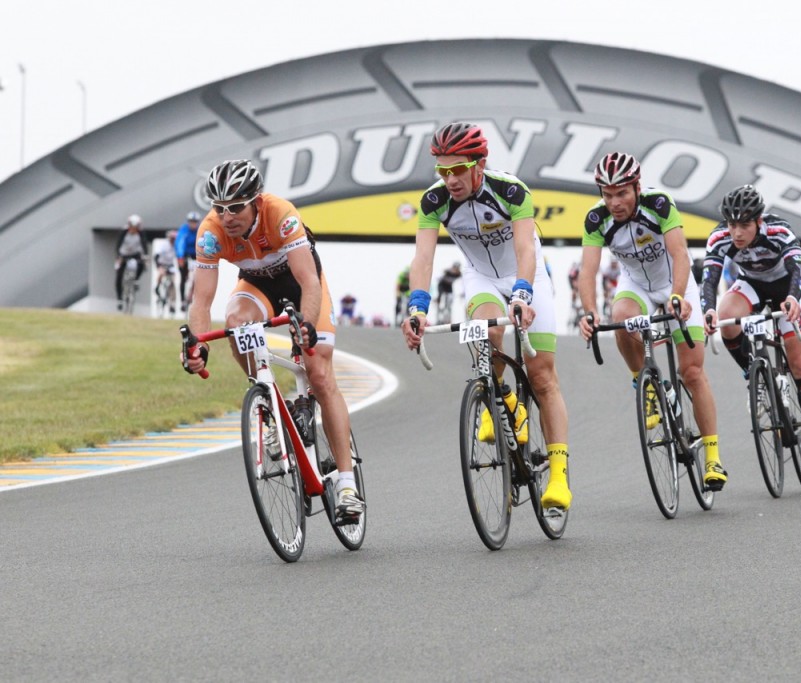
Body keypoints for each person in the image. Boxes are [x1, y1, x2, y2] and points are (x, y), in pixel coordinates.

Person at [400, 122, 572, 511]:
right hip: (481, 276)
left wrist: (524, 293)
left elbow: (526, 248)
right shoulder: (434, 201)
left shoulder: (510, 191)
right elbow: (423, 258)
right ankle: (502, 396)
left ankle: (559, 475)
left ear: (479, 164)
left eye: (457, 169)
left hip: (527, 275)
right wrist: (417, 308)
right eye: (442, 171)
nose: (449, 179)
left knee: (542, 374)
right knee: (487, 335)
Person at [181, 159, 364, 520]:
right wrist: (197, 344)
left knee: (320, 373)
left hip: (301, 283)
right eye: (219, 208)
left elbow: (309, 282)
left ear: (256, 202)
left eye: (236, 207)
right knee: (235, 322)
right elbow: (201, 300)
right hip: (257, 286)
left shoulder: (280, 214)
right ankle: (269, 403)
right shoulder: (211, 232)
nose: (227, 216)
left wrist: (307, 327)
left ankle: (346, 484)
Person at [577, 152, 726, 490]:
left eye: (622, 193)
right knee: (620, 317)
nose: (614, 202)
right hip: (637, 284)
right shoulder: (595, 219)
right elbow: (588, 271)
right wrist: (588, 311)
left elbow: (679, 254)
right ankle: (641, 381)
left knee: (691, 371)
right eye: (607, 194)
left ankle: (713, 457)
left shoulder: (659, 204)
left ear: (637, 187)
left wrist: (677, 297)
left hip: (676, 280)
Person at [702, 185, 801, 472]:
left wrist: (794, 299)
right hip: (753, 285)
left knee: (798, 361)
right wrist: (708, 309)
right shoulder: (720, 237)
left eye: (744, 225)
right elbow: (709, 280)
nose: (737, 233)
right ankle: (754, 376)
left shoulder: (779, 231)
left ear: (759, 221)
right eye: (733, 224)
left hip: (789, 288)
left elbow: (799, 269)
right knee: (726, 317)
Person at [114, 214, 148, 310]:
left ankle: (136, 279)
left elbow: (144, 244)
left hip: (135, 253)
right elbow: (118, 245)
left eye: (135, 227)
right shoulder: (123, 232)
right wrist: (118, 257)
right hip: (124, 254)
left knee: (142, 264)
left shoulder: (140, 233)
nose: (133, 229)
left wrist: (145, 255)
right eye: (132, 227)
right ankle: (120, 299)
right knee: (119, 275)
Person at [175, 211, 201, 312]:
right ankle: (182, 300)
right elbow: (180, 243)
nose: (193, 224)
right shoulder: (184, 229)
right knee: (183, 277)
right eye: (191, 222)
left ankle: (192, 295)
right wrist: (180, 257)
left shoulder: (201, 229)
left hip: (197, 255)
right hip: (185, 254)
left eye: (195, 222)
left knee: (198, 277)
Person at [153, 230, 178, 313]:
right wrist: (158, 266)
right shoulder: (164, 245)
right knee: (161, 273)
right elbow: (156, 256)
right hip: (162, 263)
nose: (173, 241)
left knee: (173, 282)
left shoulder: (176, 246)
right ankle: (157, 286)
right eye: (172, 239)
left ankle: (172, 303)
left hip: (170, 265)